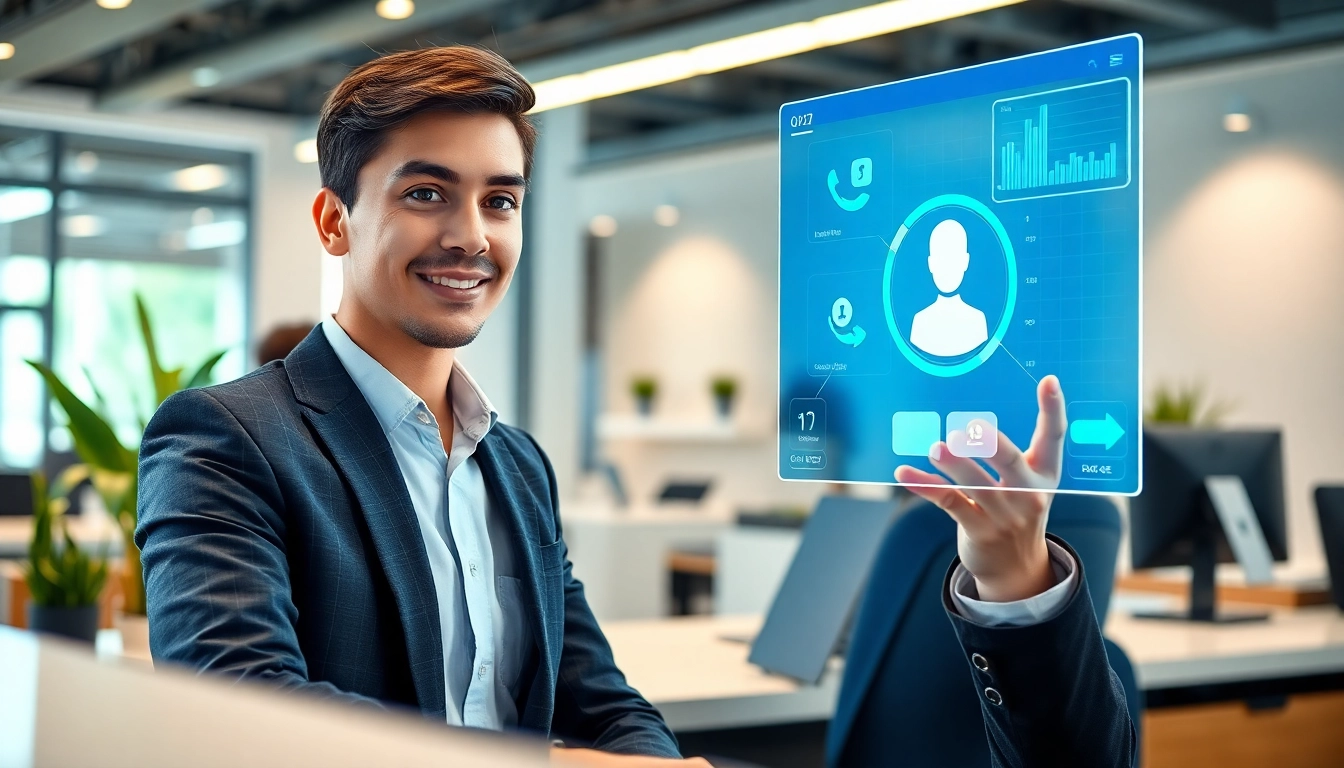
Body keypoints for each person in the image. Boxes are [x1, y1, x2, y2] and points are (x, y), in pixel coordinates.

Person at [136, 45, 1131, 767]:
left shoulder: (514, 464)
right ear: (333, 219)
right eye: (427, 194)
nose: (472, 235)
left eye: (503, 199)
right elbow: (245, 722)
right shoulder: (226, 439)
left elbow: (596, 697)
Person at [910, 218, 988, 357]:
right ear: (930, 263)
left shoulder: (977, 320)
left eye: (953, 258)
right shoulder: (919, 321)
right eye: (941, 258)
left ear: (965, 261)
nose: (946, 267)